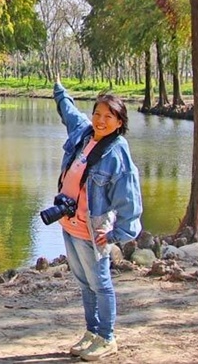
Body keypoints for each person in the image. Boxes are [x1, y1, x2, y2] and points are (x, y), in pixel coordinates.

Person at [52, 80, 143, 361]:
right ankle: (91, 332)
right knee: (84, 282)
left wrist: (118, 234)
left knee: (100, 283)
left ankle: (107, 336)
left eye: (108, 117)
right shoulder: (85, 134)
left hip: (94, 230)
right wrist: (59, 91)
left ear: (119, 122)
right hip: (70, 224)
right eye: (98, 114)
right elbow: (69, 113)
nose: (101, 121)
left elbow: (129, 198)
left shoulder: (117, 152)